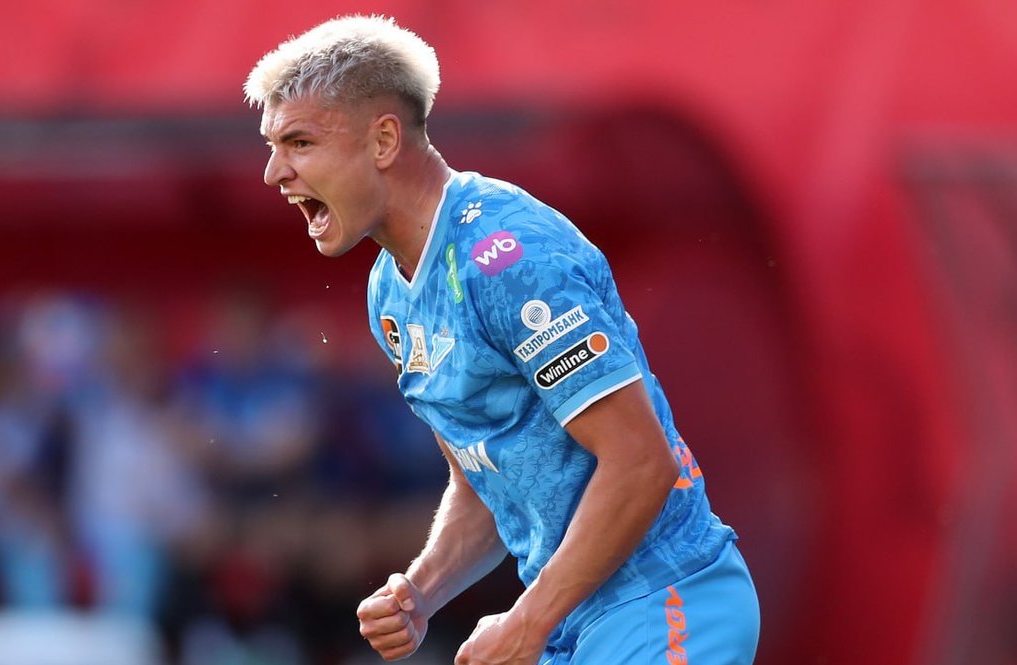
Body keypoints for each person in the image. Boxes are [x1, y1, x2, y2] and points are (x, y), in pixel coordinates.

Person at [244, 15, 760, 665]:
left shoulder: (506, 257)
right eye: (272, 146)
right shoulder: (389, 293)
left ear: (383, 141)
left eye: (299, 142)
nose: (274, 173)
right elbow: (485, 479)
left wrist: (527, 620)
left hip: (665, 599)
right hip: (573, 620)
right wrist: (421, 591)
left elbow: (639, 463)